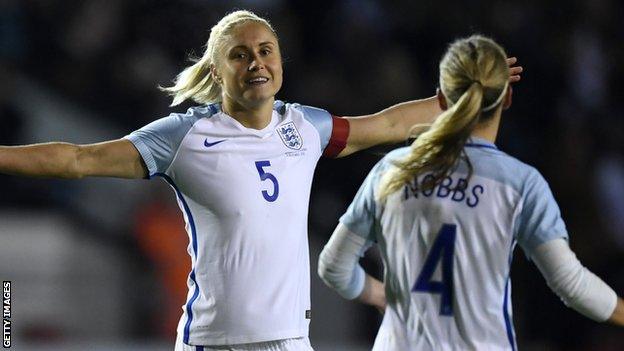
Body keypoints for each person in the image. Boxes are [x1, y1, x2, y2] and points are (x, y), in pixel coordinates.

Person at [0, 10, 522, 351]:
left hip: (290, 340)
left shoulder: (307, 127)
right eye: (241, 54)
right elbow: (78, 160)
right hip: (213, 341)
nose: (257, 62)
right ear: (217, 70)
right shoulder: (185, 136)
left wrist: (458, 101)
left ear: (280, 62)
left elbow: (386, 125)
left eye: (266, 50)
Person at [318, 35, 624, 350]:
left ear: (440, 98)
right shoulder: (519, 183)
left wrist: (378, 293)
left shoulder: (393, 171)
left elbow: (333, 266)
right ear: (506, 98)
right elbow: (571, 284)